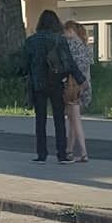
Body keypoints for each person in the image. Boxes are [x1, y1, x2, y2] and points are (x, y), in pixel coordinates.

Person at [22, 9, 86, 164]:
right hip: (56, 82)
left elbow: (24, 64)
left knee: (40, 120)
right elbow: (69, 62)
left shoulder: (31, 41)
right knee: (59, 119)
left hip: (38, 84)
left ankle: (41, 154)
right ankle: (62, 153)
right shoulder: (59, 40)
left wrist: (23, 75)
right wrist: (81, 79)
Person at [64, 20, 92, 163]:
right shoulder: (85, 46)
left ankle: (83, 152)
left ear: (70, 30)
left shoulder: (70, 45)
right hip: (85, 85)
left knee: (75, 121)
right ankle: (69, 150)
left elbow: (68, 66)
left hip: (73, 86)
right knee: (73, 120)